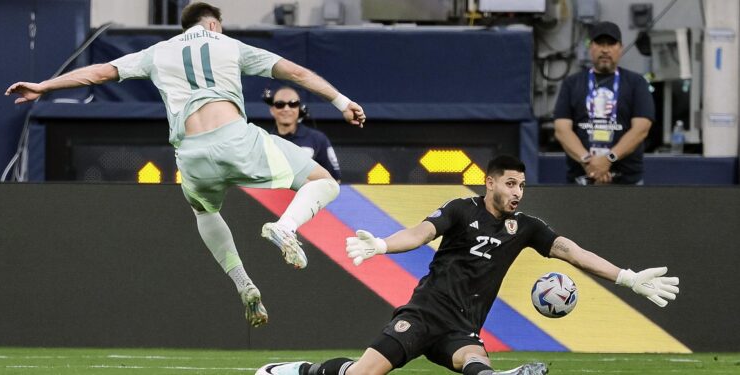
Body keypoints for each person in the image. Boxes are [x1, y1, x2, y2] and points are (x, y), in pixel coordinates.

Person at [5, 2, 365, 328]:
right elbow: (296, 73)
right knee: (323, 181)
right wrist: (341, 101)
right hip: (235, 139)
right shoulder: (228, 45)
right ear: (212, 25)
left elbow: (99, 73)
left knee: (205, 212)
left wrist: (44, 86)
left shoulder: (158, 52)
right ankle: (286, 227)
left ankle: (242, 281)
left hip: (191, 154)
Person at [256, 154, 679, 375]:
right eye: (510, 184)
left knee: (475, 363)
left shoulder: (525, 227)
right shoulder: (462, 209)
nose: (517, 193)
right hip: (423, 315)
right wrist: (383, 245)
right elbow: (420, 233)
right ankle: (298, 370)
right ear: (490, 182)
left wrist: (627, 277)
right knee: (362, 373)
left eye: (522, 186)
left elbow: (571, 251)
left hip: (461, 328)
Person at [553, 21, 655, 185]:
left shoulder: (637, 83)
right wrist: (588, 161)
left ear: (620, 48)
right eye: (600, 43)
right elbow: (561, 129)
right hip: (581, 179)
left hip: (627, 181)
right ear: (590, 47)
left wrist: (609, 159)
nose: (605, 49)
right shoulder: (572, 83)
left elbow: (641, 129)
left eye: (611, 44)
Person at [266, 86, 342, 182]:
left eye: (293, 104)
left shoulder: (318, 139)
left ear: (299, 108)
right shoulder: (265, 141)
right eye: (280, 104)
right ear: (272, 110)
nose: (286, 109)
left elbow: (335, 179)